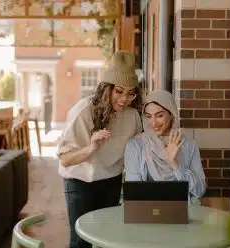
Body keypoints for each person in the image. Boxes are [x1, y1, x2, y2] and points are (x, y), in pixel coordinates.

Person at [57, 50, 143, 248]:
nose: (124, 99)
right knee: (81, 241)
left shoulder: (132, 116)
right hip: (80, 181)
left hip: (111, 180)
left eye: (130, 93)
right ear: (107, 88)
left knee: (107, 239)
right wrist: (91, 148)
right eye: (119, 91)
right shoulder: (83, 111)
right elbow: (65, 159)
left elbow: (137, 151)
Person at [124, 89, 206, 201]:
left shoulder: (188, 145)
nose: (153, 123)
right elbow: (133, 193)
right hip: (145, 213)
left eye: (159, 115)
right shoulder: (135, 146)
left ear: (171, 114)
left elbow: (199, 190)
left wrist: (175, 164)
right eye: (148, 116)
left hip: (179, 213)